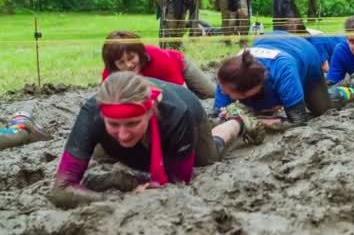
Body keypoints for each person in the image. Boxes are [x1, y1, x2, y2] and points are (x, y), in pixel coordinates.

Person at [49, 72, 264, 208]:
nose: (123, 133)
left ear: (150, 112)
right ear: (102, 116)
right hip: (143, 129)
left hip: (190, 113)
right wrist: (115, 199)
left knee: (209, 157)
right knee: (102, 153)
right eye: (113, 124)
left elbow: (179, 181)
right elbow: (61, 189)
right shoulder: (91, 114)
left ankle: (237, 120)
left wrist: (143, 187)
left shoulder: (176, 115)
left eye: (132, 123)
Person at [214, 31, 354, 129]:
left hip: (304, 55)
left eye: (230, 93)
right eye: (223, 89)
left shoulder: (284, 71)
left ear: (250, 89)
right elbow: (215, 116)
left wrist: (256, 122)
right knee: (259, 106)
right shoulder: (229, 78)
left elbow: (298, 120)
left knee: (322, 108)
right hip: (270, 42)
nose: (223, 93)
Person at [101, 30, 215, 99]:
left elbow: (182, 92)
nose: (128, 65)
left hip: (179, 65)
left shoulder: (158, 58)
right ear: (113, 64)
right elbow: (106, 100)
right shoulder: (110, 73)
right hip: (152, 86)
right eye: (121, 62)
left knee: (210, 92)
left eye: (131, 58)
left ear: (139, 53)